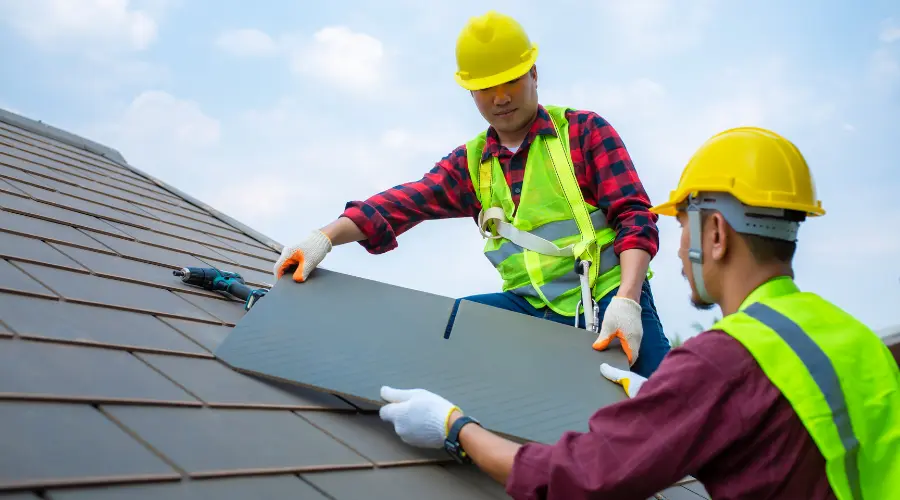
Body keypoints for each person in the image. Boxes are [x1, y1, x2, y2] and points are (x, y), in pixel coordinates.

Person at [376, 126, 900, 499]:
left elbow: (577, 479)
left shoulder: (723, 362)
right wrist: (673, 405)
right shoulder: (855, 339)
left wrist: (454, 426)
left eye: (682, 227)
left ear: (714, 235)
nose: (674, 250)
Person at [273, 10, 671, 377]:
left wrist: (628, 300)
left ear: (534, 73)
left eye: (511, 80)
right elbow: (404, 203)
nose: (501, 97)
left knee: (667, 402)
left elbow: (634, 216)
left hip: (608, 298)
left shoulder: (583, 132)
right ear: (471, 93)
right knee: (454, 328)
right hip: (528, 307)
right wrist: (324, 237)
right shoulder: (472, 162)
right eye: (486, 87)